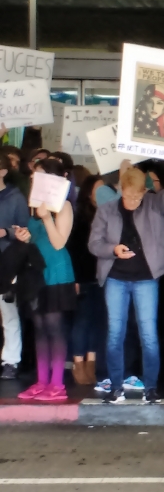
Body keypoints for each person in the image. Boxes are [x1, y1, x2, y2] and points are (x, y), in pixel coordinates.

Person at [88, 152, 164, 404]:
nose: (133, 200)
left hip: (146, 278)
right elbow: (93, 243)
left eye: (138, 196)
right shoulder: (107, 210)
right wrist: (113, 249)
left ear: (145, 191)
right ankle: (116, 386)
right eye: (129, 195)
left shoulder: (153, 204)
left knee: (149, 334)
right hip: (115, 277)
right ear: (121, 189)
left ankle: (151, 387)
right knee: (115, 333)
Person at [16, 159, 77, 402]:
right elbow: (36, 237)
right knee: (39, 328)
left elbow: (59, 242)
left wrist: (46, 218)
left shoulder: (64, 206)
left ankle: (57, 383)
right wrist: (24, 235)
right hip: (36, 273)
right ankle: (41, 381)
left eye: (39, 176)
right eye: (33, 177)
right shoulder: (33, 206)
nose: (34, 180)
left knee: (54, 327)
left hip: (57, 272)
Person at [67, 175, 106, 385]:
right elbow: (72, 250)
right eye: (97, 190)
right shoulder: (79, 216)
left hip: (101, 276)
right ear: (88, 192)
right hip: (82, 277)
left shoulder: (108, 214)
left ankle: (91, 361)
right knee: (82, 321)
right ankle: (78, 362)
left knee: (97, 320)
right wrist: (74, 278)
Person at [0, 150, 29, 380]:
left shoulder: (15, 197)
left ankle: (11, 360)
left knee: (8, 312)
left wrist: (6, 231)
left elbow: (25, 230)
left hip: (7, 259)